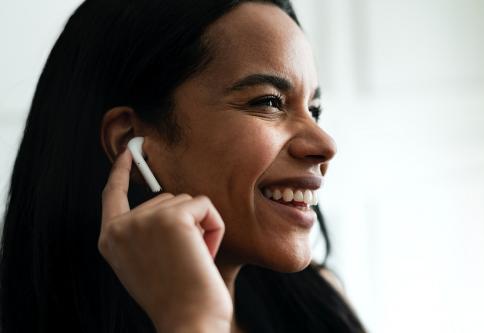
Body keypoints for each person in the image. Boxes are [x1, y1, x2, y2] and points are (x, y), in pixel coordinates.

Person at [0, 0, 366, 332]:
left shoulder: (319, 302)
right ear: (130, 143)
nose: (324, 145)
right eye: (269, 102)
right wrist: (193, 320)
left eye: (314, 110)